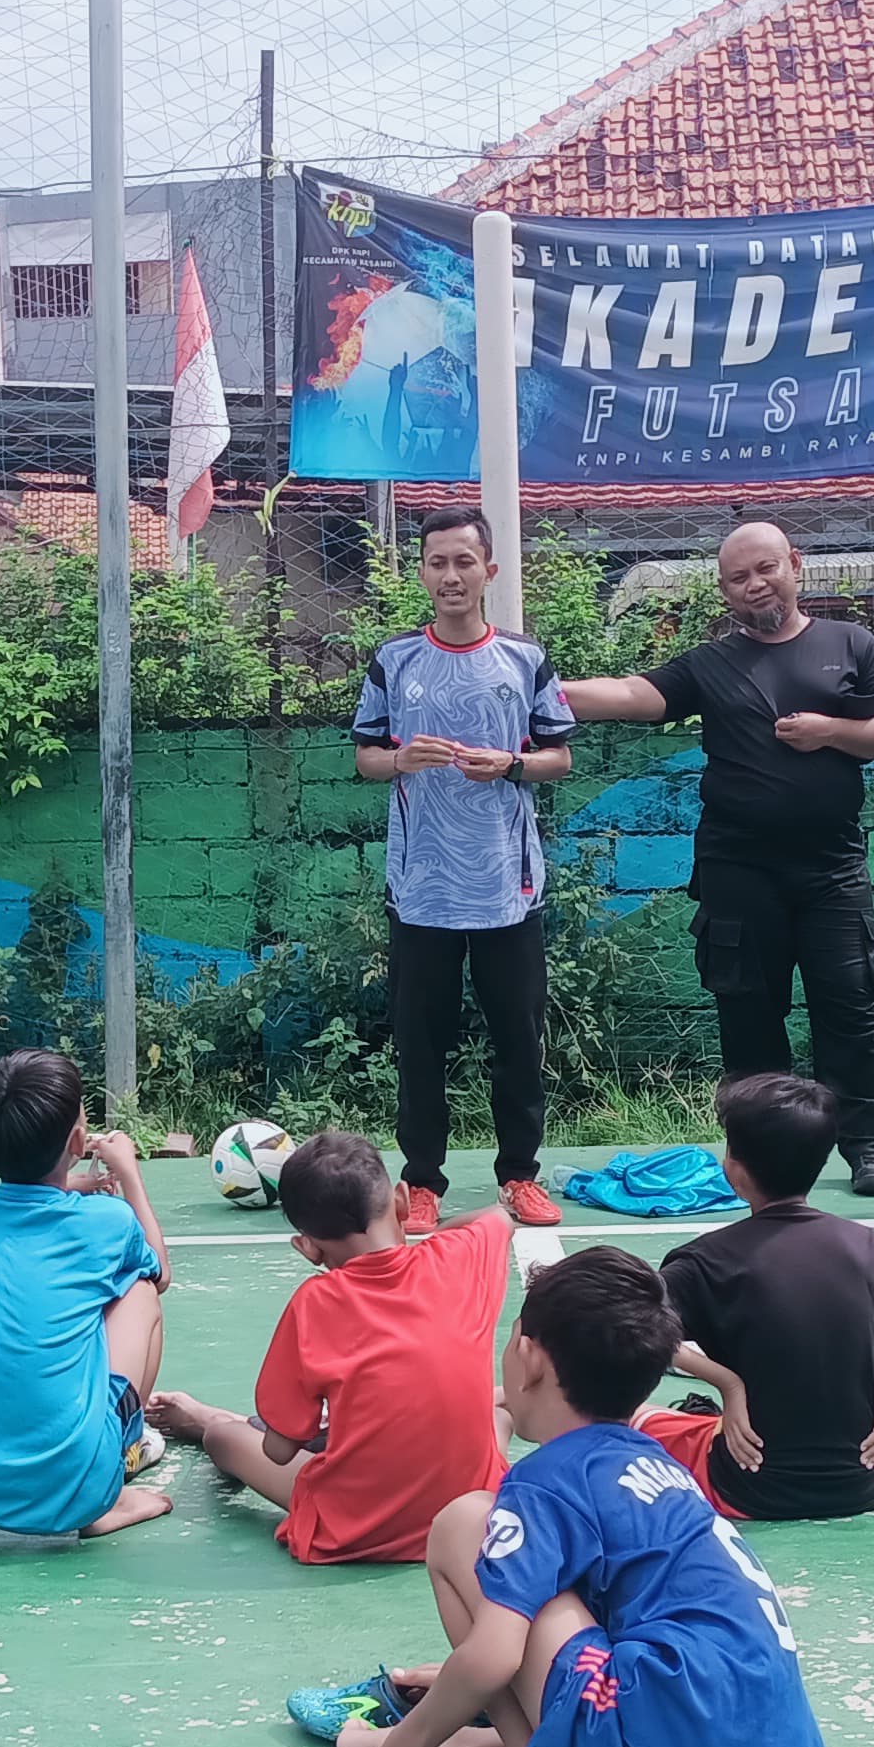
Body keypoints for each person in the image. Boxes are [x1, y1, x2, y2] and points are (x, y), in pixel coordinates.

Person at [331, 1246, 835, 1747]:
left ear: (530, 1357)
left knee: (464, 1525)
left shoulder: (546, 1481)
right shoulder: (660, 1470)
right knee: (606, 1636)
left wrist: (414, 1741)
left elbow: (495, 1655)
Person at [566, 521, 874, 1197]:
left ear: (796, 563)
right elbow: (636, 695)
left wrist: (829, 733)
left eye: (766, 568)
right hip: (738, 872)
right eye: (738, 577)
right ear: (724, 591)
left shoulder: (852, 644)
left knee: (850, 1008)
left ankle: (869, 1147)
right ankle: (765, 1155)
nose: (755, 584)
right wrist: (544, 688)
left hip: (832, 870)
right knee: (749, 1015)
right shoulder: (711, 663)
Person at [643, 1074, 874, 1520]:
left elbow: (630, 1325)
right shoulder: (873, 1247)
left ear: (733, 1169)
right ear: (822, 1160)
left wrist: (727, 1382)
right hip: (866, 1482)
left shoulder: (703, 1260)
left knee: (637, 1419)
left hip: (744, 1487)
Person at [355, 505, 577, 1233]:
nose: (450, 576)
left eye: (463, 562)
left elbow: (559, 758)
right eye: (436, 563)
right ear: (420, 572)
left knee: (518, 1039)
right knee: (420, 1044)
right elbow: (365, 759)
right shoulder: (394, 660)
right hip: (422, 891)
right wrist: (400, 759)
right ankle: (423, 1182)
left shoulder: (524, 657)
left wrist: (512, 765)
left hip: (507, 891)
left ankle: (519, 1175)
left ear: (490, 570)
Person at [141, 1130, 512, 1564]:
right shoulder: (459, 1257)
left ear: (309, 1246)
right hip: (470, 1516)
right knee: (496, 1416)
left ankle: (210, 1419)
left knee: (224, 1439)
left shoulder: (314, 1303)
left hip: (356, 1526)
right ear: (402, 1201)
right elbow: (499, 1219)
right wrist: (435, 1242)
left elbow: (279, 1450)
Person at [0, 1049, 175, 1543]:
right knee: (138, 1289)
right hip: (78, 1487)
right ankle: (111, 1475)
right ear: (75, 1140)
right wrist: (129, 1174)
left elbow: (25, 1207)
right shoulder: (108, 1223)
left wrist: (69, 1186)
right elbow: (161, 1270)